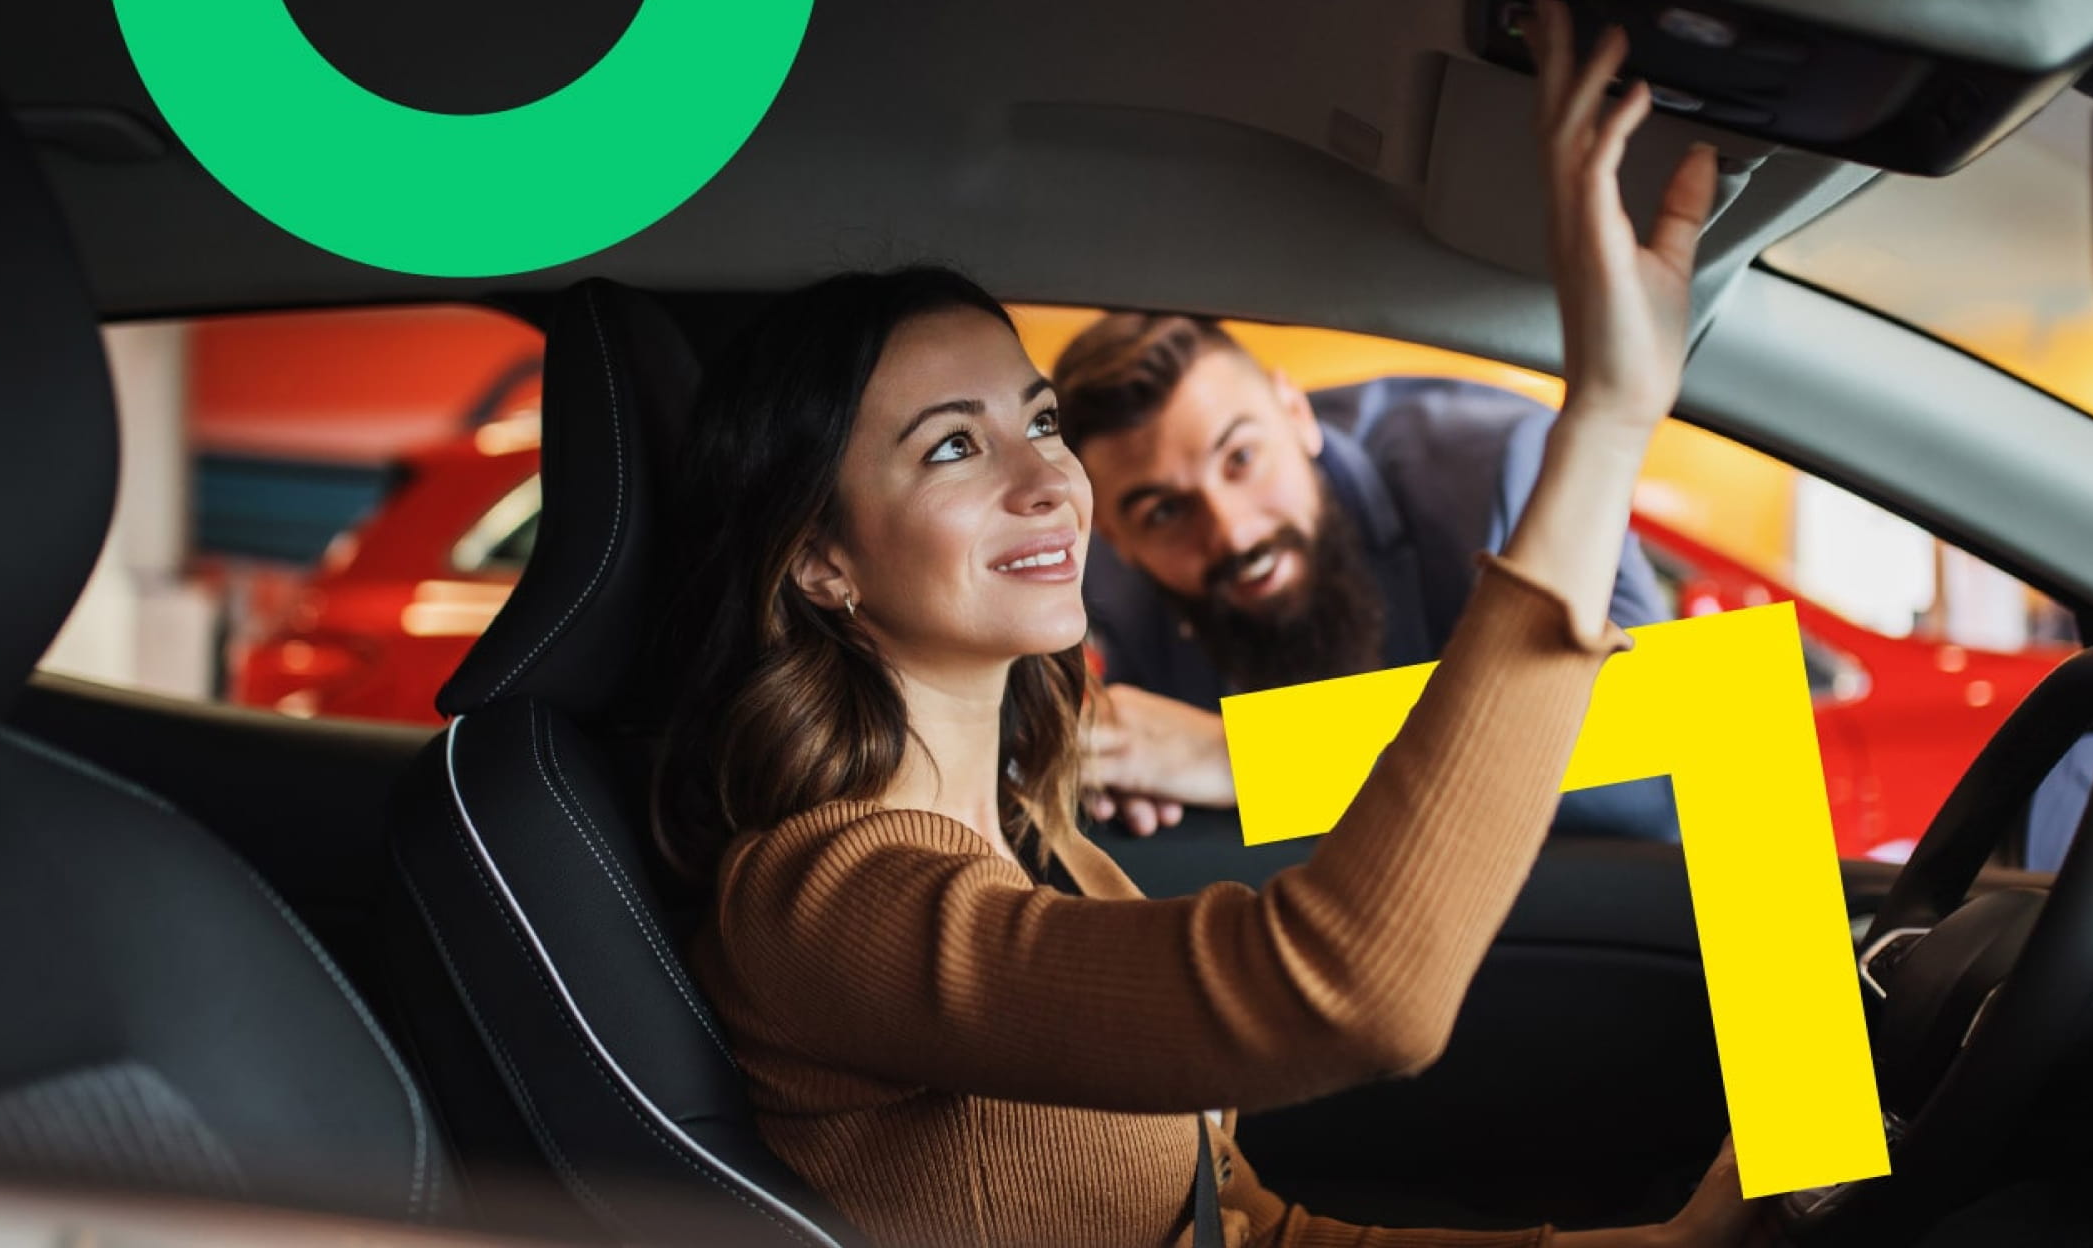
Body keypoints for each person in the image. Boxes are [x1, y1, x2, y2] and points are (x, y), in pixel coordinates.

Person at [651, 6, 1775, 1245]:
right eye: (954, 448)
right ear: (819, 559)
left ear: (1298, 416)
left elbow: (1712, 713)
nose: (1046, 486)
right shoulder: (829, 898)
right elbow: (1349, 992)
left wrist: (1703, 1222)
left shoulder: (1483, 464)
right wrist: (1607, 420)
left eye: (1036, 426)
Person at [1053, 316, 1679, 840]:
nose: (1233, 534)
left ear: (1297, 414)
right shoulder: (1102, 588)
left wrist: (1244, 758)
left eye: (1241, 458)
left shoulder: (1507, 470)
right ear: (1116, 537)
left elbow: (1684, 732)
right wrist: (1134, 784)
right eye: (1164, 512)